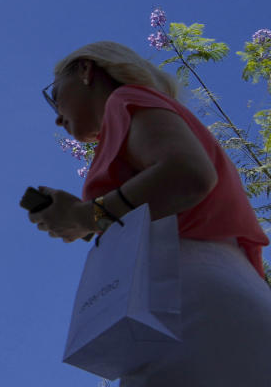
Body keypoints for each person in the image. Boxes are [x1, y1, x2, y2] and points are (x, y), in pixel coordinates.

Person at [30, 41, 271, 386]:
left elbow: (187, 175)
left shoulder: (125, 100)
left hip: (185, 299)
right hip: (219, 291)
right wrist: (79, 220)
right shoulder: (138, 111)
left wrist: (86, 217)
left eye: (55, 93)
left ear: (85, 70)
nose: (56, 115)